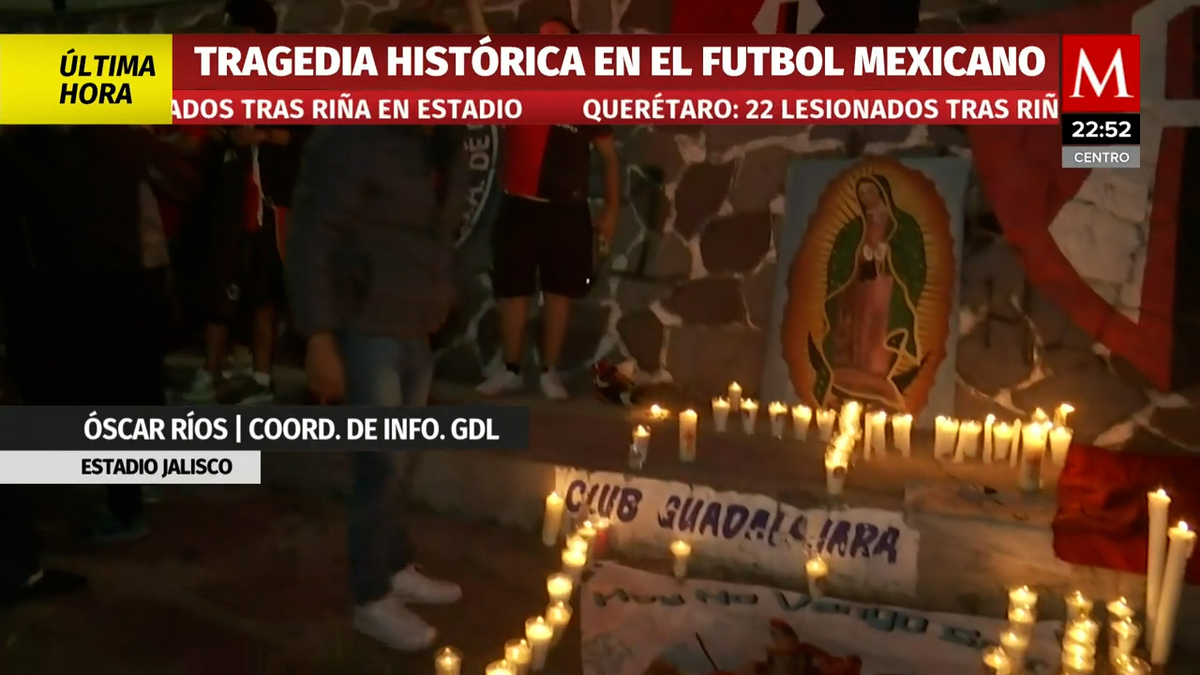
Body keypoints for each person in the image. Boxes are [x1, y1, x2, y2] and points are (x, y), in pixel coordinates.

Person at [287, 18, 468, 652]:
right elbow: (312, 233)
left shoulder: (438, 138)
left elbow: (438, 230)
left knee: (403, 461)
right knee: (380, 465)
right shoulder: (353, 133)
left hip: (415, 322)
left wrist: (440, 296)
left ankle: (394, 566)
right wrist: (318, 336)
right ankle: (370, 596)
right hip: (364, 326)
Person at [0, 125, 192, 572]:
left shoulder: (29, 145)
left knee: (108, 388)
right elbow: (182, 181)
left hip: (85, 279)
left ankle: (125, 498)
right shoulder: (108, 136)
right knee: (127, 386)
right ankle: (132, 488)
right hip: (120, 274)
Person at [467, 3, 621, 401]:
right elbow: (484, 45)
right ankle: (512, 368)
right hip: (518, 205)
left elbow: (608, 159)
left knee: (558, 293)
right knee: (511, 291)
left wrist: (612, 211)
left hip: (567, 209)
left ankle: (550, 372)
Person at [181, 0, 285, 404]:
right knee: (218, 286)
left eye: (235, 31)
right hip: (226, 198)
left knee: (264, 293)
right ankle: (212, 370)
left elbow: (299, 135)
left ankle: (260, 378)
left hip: (267, 202)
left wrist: (259, 137)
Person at [821, 174, 925, 407]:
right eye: (862, 193)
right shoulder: (856, 227)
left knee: (878, 327)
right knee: (857, 323)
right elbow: (842, 256)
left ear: (882, 192)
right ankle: (854, 368)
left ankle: (876, 373)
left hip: (885, 285)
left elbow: (912, 258)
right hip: (859, 283)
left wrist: (888, 254)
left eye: (871, 191)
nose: (867, 197)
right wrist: (859, 256)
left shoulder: (901, 224)